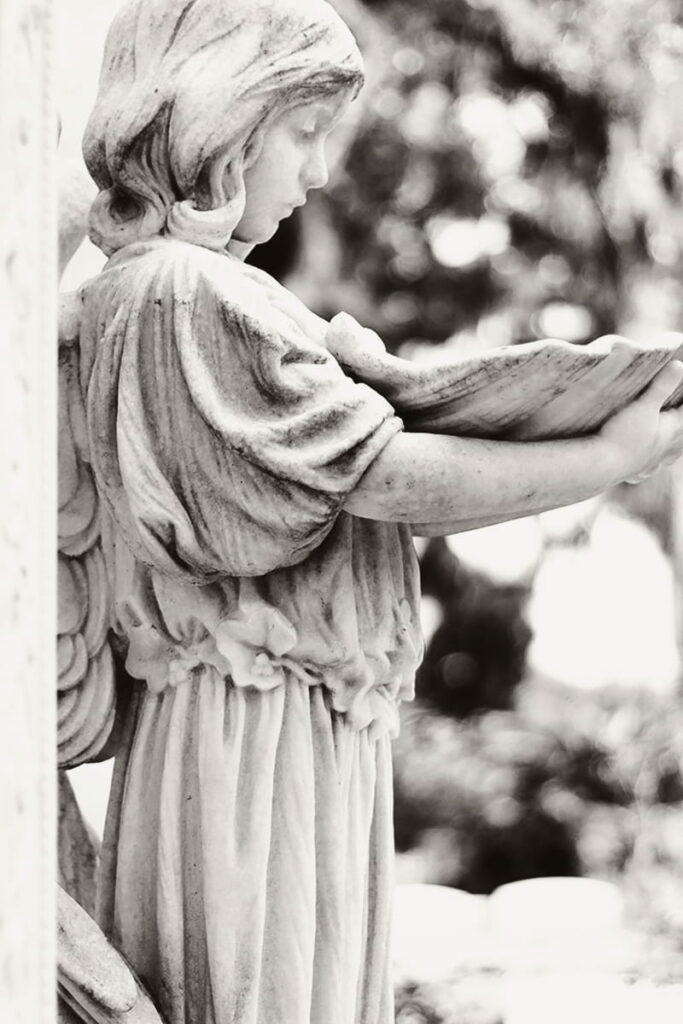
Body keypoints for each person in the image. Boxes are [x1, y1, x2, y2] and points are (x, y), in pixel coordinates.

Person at [65, 1, 683, 1022]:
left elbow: (368, 487)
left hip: (289, 716)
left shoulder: (197, 294)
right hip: (249, 729)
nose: (316, 174)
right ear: (219, 119)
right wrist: (602, 454)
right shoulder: (183, 291)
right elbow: (383, 477)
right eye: (303, 135)